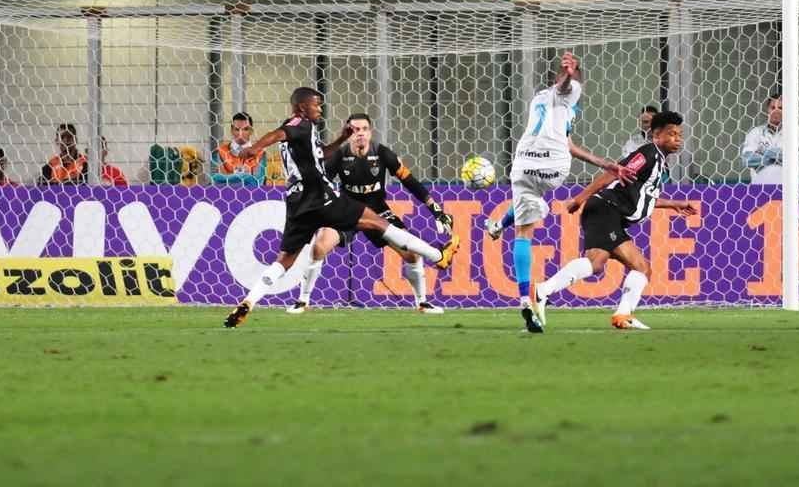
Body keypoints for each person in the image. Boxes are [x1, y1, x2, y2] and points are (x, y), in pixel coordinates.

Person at [222, 87, 459, 328]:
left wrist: (340, 138)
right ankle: (439, 256)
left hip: (297, 203)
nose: (320, 109)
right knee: (377, 223)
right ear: (303, 107)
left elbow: (318, 156)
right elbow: (278, 133)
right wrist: (255, 148)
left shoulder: (310, 134)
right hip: (320, 197)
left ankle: (248, 302)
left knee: (284, 260)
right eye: (317, 104)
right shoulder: (300, 124)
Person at [489, 53, 639, 334]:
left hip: (523, 163)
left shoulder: (545, 105)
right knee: (536, 208)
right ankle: (508, 229)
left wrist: (605, 164)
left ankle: (523, 293)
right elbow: (565, 88)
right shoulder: (565, 95)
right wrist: (571, 73)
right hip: (553, 168)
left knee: (525, 227)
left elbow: (570, 143)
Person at [541, 111, 697, 331]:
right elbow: (615, 173)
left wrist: (673, 204)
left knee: (640, 268)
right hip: (606, 209)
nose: (677, 139)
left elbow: (643, 196)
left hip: (610, 213)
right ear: (656, 134)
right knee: (600, 263)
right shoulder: (647, 154)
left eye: (679, 134)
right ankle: (542, 291)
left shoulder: (659, 162)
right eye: (672, 134)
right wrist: (578, 199)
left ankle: (623, 315)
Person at [286, 113, 455, 315]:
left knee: (411, 253)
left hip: (378, 211)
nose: (360, 134)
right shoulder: (339, 156)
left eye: (364, 129)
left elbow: (411, 183)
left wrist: (435, 210)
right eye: (355, 130)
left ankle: (423, 302)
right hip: (346, 209)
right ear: (349, 133)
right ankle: (303, 301)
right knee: (319, 246)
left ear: (370, 132)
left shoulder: (383, 154)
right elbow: (320, 184)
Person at [212, 112, 266, 186]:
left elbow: (259, 183)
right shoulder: (219, 152)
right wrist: (246, 177)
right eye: (237, 129)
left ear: (251, 131)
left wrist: (229, 178)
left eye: (245, 129)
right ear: (231, 131)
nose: (241, 134)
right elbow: (216, 182)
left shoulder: (260, 153)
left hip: (252, 196)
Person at [741, 93, 784, 184]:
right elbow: (747, 159)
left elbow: (790, 156)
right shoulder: (755, 133)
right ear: (767, 110)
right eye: (773, 108)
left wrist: (762, 151)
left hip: (788, 190)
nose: (776, 111)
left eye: (780, 108)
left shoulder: (795, 132)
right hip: (759, 190)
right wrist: (777, 157)